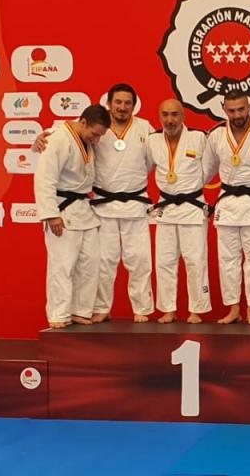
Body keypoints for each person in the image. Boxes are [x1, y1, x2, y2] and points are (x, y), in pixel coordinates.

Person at [34, 104, 110, 329]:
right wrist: (51, 215)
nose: (96, 140)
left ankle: (80, 310)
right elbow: (44, 179)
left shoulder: (84, 136)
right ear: (83, 123)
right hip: (63, 211)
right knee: (62, 265)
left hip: (84, 210)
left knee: (90, 264)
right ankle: (58, 314)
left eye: (100, 136)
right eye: (94, 134)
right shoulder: (57, 139)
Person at [204, 90, 250, 324]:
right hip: (227, 203)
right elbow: (205, 171)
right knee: (228, 260)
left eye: (241, 109)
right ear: (224, 109)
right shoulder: (215, 135)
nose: (237, 115)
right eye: (232, 110)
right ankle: (234, 308)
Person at [91, 84, 156, 323]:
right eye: (118, 102)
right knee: (104, 261)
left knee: (139, 259)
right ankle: (101, 307)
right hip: (103, 204)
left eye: (127, 103)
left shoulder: (144, 128)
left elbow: (153, 160)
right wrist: (42, 137)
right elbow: (69, 132)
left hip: (135, 203)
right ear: (109, 103)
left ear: (134, 105)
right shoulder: (97, 124)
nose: (122, 107)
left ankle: (142, 308)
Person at [147, 100, 212, 324]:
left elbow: (210, 166)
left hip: (192, 207)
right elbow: (144, 167)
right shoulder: (152, 140)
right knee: (164, 261)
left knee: (195, 261)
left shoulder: (199, 138)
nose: (170, 120)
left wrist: (193, 186)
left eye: (174, 114)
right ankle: (168, 309)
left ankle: (197, 309)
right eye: (165, 115)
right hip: (166, 207)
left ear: (183, 116)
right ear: (159, 116)